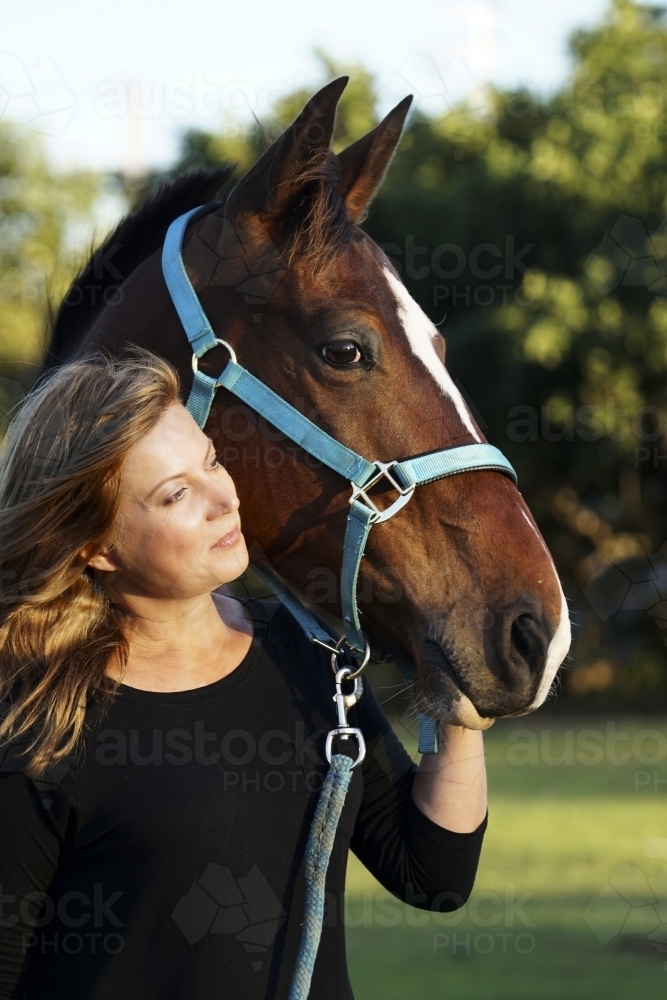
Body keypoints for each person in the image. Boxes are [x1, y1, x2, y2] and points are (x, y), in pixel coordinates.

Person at [0, 351, 488, 1000]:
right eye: (175, 494)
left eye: (211, 461)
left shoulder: (307, 653)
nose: (223, 499)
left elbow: (431, 874)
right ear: (95, 545)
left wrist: (456, 723)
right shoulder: (38, 723)